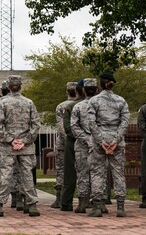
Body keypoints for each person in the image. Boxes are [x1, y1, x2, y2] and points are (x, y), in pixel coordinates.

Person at [0, 75, 41, 218]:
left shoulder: (2, 103)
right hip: (26, 146)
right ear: (20, 86)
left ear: (8, 87)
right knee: (27, 175)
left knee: (6, 175)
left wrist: (11, 140)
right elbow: (36, 124)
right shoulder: (29, 103)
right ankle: (32, 206)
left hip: (7, 147)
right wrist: (24, 140)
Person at [86, 72, 130, 217]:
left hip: (100, 141)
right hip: (116, 142)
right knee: (118, 174)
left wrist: (101, 141)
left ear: (100, 84)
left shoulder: (94, 101)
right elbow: (125, 122)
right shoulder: (121, 101)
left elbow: (91, 123)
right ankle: (121, 208)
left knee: (97, 173)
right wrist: (116, 140)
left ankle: (98, 207)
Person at [70, 78, 97, 213]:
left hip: (82, 145)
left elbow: (74, 127)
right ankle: (99, 202)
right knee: (98, 174)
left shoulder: (78, 106)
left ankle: (82, 203)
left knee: (82, 174)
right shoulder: (102, 105)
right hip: (99, 145)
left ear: (83, 90)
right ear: (97, 89)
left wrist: (86, 139)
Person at [60, 80, 86, 211]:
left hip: (73, 141)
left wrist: (78, 137)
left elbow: (67, 128)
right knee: (95, 171)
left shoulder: (70, 106)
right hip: (92, 142)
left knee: (70, 172)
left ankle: (66, 202)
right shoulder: (95, 104)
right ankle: (94, 201)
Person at [50, 82, 77, 209]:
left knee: (61, 171)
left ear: (67, 91)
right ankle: (87, 199)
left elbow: (61, 127)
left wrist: (69, 140)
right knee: (84, 170)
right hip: (82, 143)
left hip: (64, 144)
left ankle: (59, 199)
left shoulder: (61, 106)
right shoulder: (82, 105)